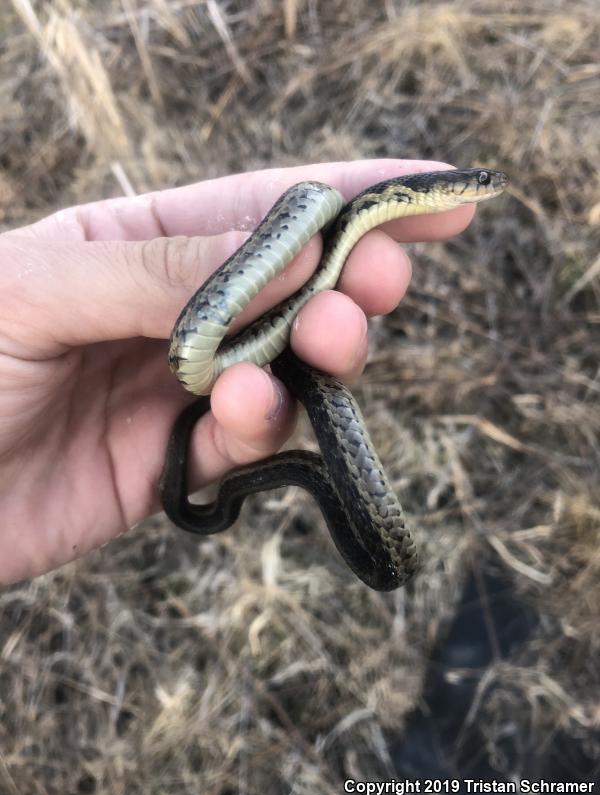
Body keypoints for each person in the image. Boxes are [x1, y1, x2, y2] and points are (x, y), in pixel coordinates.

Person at [0, 159, 477, 584]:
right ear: (435, 189)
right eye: (476, 182)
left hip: (209, 358)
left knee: (311, 348)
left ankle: (272, 474)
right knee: (312, 335)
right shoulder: (331, 207)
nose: (485, 186)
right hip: (203, 347)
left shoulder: (347, 211)